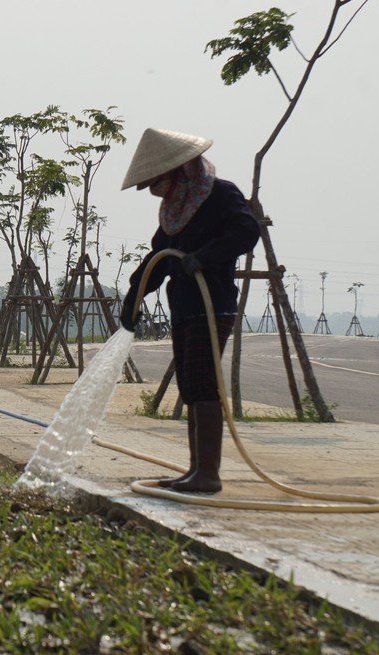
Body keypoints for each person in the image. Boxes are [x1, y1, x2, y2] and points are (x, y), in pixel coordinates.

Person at [118, 128, 260, 493]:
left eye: (157, 181)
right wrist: (134, 297)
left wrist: (204, 257)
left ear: (180, 171)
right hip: (183, 305)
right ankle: (196, 470)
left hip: (211, 304)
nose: (154, 190)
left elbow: (246, 232)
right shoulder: (177, 209)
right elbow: (158, 259)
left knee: (203, 384)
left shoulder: (220, 194)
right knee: (191, 386)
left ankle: (208, 474)